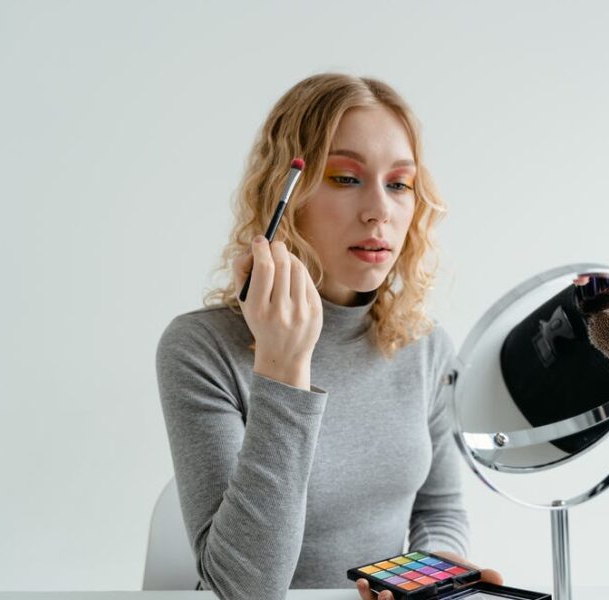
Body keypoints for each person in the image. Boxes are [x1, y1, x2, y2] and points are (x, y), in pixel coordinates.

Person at [155, 73, 502, 600]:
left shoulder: (426, 348)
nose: (379, 210)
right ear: (285, 198)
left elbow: (439, 508)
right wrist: (283, 367)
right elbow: (243, 590)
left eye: (399, 184)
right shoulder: (202, 350)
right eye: (345, 177)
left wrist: (437, 569)